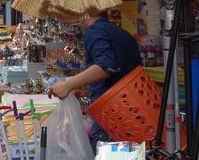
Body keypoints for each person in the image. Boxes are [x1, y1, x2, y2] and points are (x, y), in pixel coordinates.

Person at [47, 11, 142, 149]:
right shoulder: (122, 33)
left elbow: (106, 65)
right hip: (131, 114)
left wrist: (68, 85)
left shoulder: (93, 30)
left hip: (111, 117)